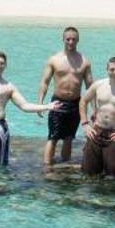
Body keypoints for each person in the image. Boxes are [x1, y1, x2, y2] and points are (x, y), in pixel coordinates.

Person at [38, 26, 93, 168]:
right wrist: (40, 104)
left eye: (73, 39)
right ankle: (47, 168)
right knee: (53, 137)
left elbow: (90, 87)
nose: (70, 42)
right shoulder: (54, 60)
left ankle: (65, 166)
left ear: (78, 40)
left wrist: (94, 109)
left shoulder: (84, 61)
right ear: (63, 39)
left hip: (76, 103)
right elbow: (45, 82)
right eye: (68, 39)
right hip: (58, 102)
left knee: (69, 138)